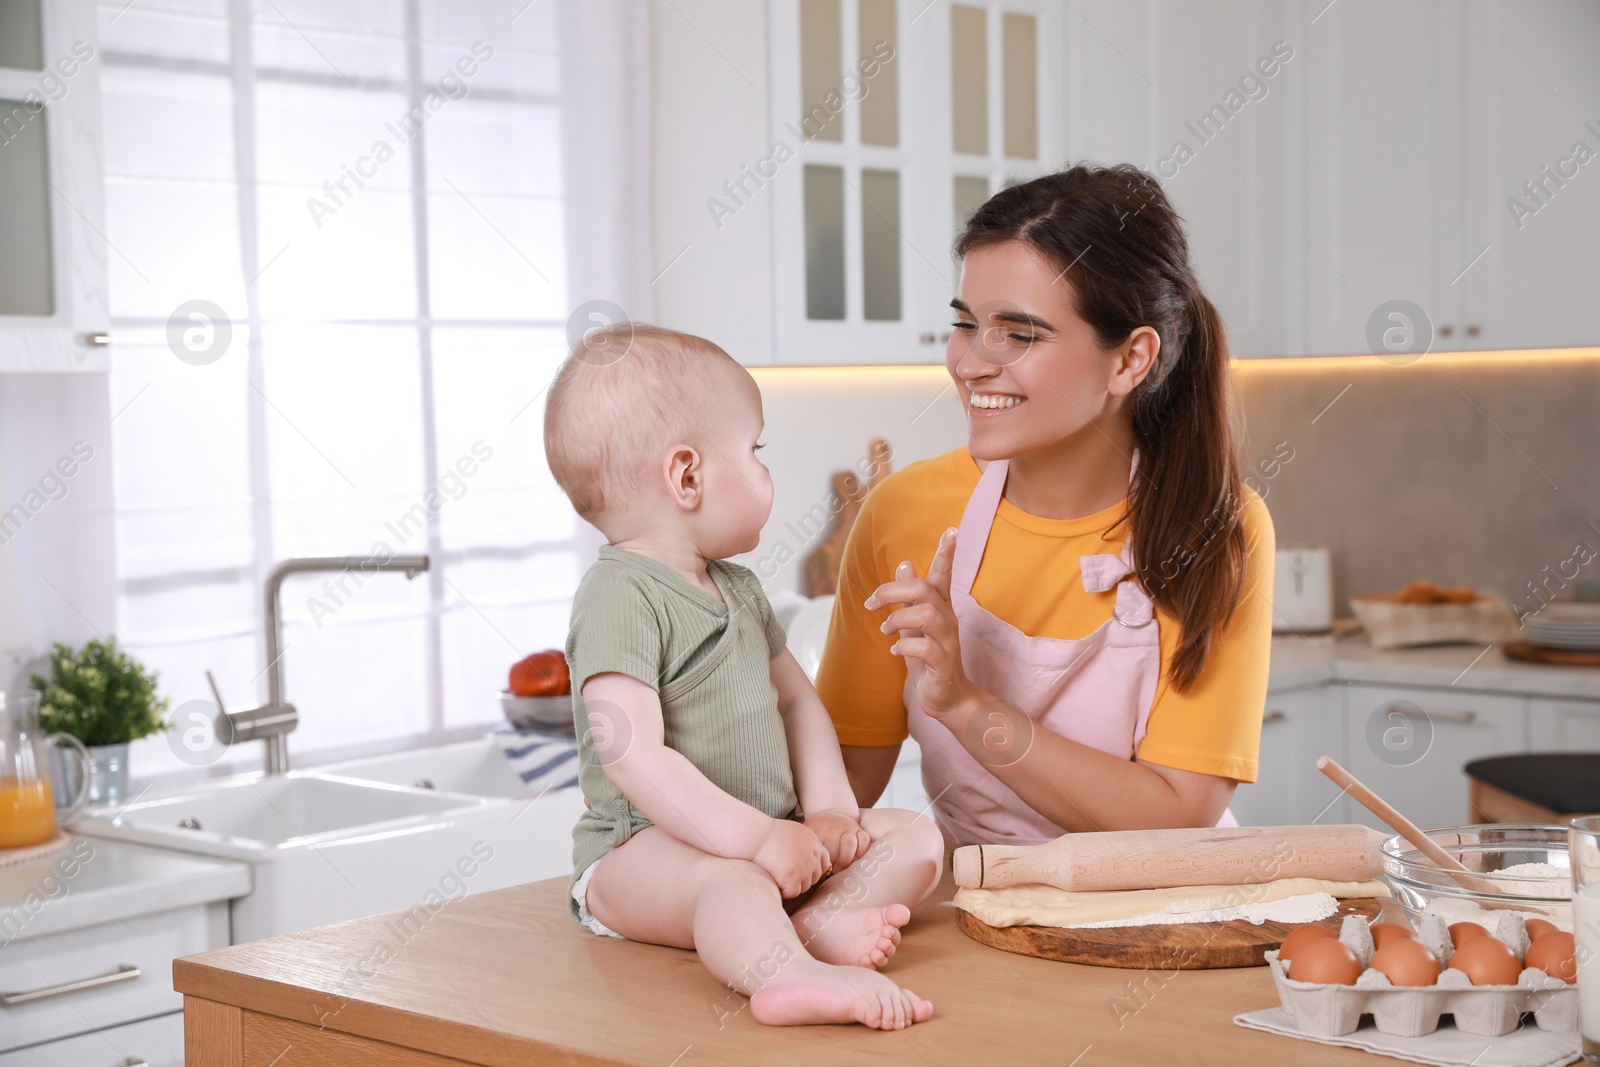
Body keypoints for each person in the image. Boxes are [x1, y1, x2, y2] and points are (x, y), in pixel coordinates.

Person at [815, 163, 1276, 847]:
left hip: (1164, 911)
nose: (970, 362)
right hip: (984, 919)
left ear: (1129, 360)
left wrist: (966, 704)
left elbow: (1178, 812)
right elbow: (843, 786)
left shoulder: (1215, 524)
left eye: (1019, 334)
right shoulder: (901, 513)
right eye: (967, 324)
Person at [543, 324, 943, 1030]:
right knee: (725, 880)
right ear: (687, 476)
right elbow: (633, 755)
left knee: (915, 836)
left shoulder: (740, 589)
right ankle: (787, 975)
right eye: (754, 451)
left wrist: (829, 809)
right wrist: (756, 841)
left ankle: (811, 928)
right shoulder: (618, 595)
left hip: (775, 838)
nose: (764, 471)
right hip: (645, 853)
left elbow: (797, 703)